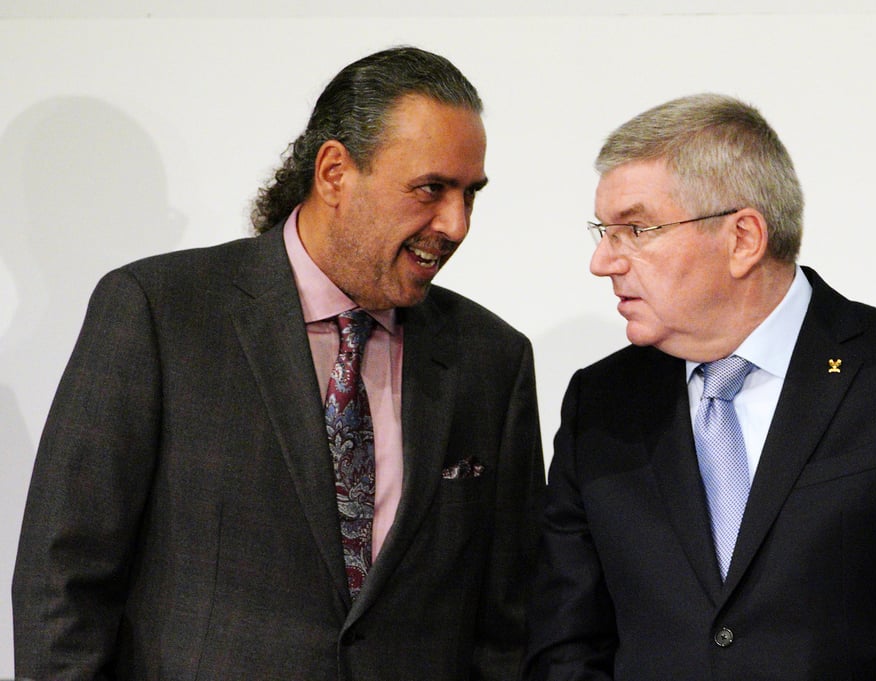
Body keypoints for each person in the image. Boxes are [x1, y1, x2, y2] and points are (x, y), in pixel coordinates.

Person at [13, 46, 544, 681]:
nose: (455, 224)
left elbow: (508, 625)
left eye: (469, 195)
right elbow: (62, 581)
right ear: (334, 172)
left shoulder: (493, 359)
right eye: (431, 188)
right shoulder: (160, 312)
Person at [523, 93, 876, 680]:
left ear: (743, 238)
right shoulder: (600, 401)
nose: (603, 261)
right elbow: (564, 644)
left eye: (636, 229)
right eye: (604, 232)